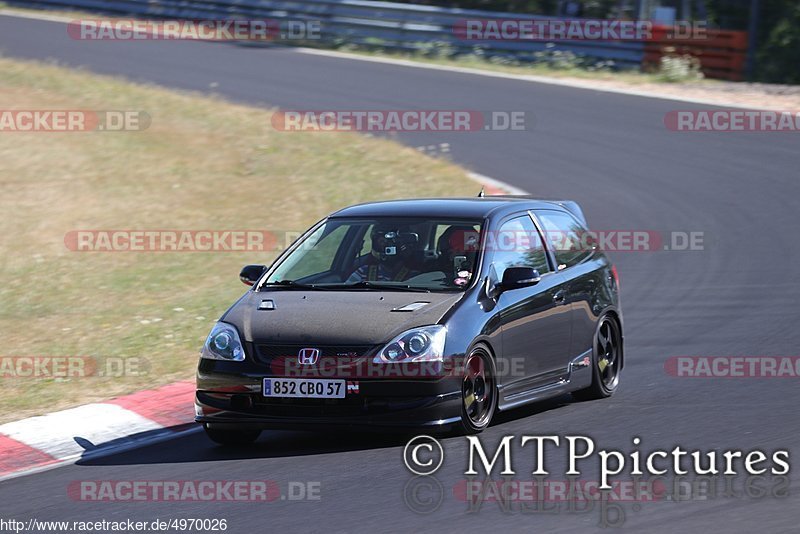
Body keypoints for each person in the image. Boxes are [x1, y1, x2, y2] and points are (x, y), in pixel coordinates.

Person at [347, 224, 419, 283]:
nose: (387, 246)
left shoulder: (416, 277)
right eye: (382, 242)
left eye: (394, 242)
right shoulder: (362, 273)